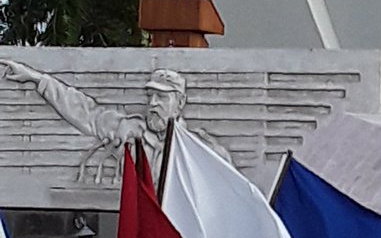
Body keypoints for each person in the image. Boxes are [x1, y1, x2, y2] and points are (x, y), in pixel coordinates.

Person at [0, 63, 223, 182]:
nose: (153, 104)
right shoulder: (131, 129)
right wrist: (38, 79)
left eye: (162, 97)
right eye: (150, 96)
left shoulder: (202, 148)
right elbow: (87, 112)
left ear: (180, 102)